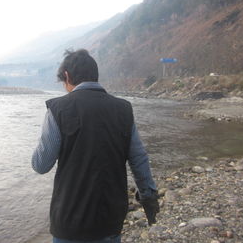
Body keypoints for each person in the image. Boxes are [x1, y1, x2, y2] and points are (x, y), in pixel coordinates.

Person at [32, 49, 159, 243]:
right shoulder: (123, 109)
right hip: (110, 218)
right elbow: (138, 158)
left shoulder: (58, 109)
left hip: (69, 220)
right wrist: (148, 197)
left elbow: (41, 165)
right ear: (95, 75)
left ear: (67, 76)